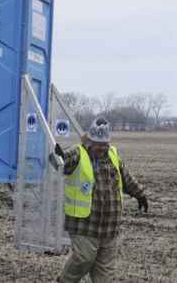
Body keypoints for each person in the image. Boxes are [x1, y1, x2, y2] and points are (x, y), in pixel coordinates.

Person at [53, 117, 149, 283]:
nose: (102, 147)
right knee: (84, 258)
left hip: (110, 227)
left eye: (105, 143)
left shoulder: (112, 155)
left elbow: (126, 179)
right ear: (90, 141)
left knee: (105, 275)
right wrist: (58, 157)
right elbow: (60, 163)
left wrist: (140, 194)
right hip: (84, 224)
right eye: (98, 143)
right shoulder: (77, 153)